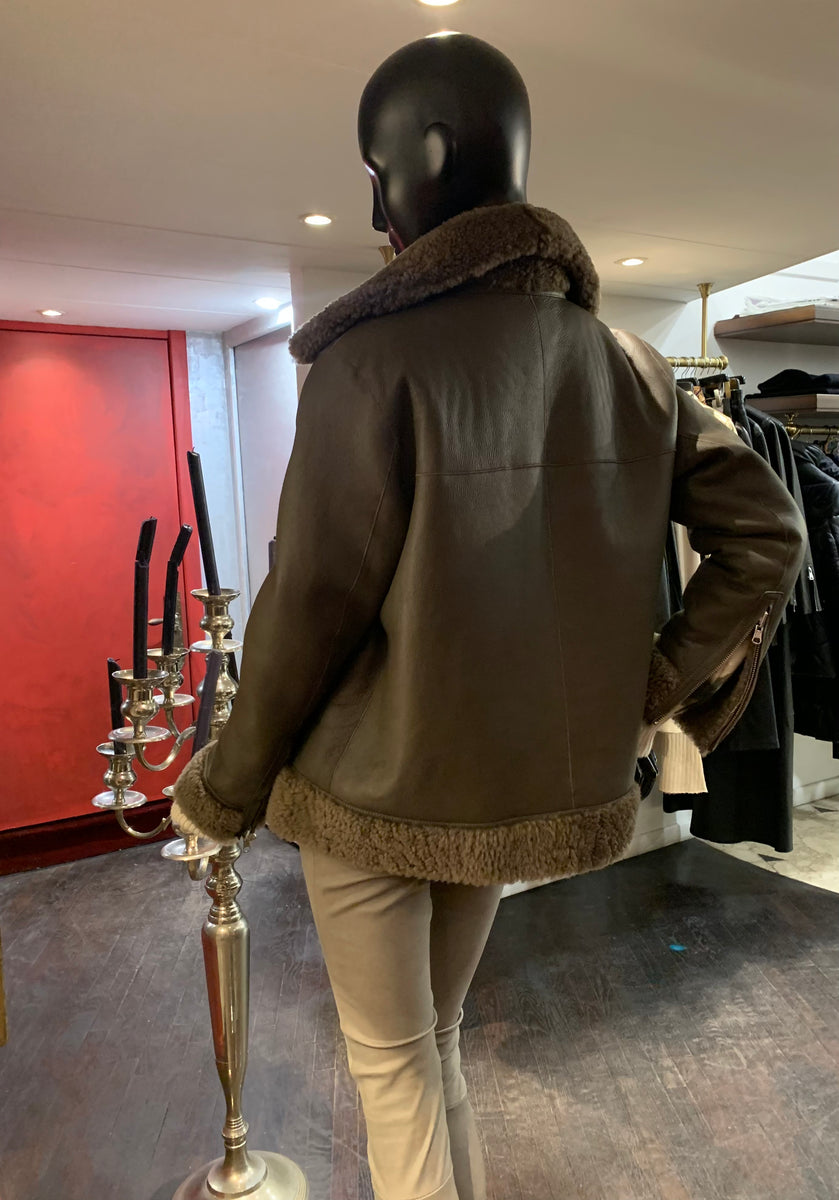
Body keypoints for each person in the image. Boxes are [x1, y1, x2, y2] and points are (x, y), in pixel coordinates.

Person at [172, 34, 806, 1200]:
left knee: (394, 1071)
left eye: (377, 172)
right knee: (439, 1049)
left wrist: (224, 784)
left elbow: (311, 605)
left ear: (425, 157)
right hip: (507, 792)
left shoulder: (368, 363)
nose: (374, 206)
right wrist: (648, 686)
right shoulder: (629, 366)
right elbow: (768, 535)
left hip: (368, 796)